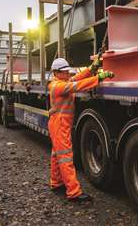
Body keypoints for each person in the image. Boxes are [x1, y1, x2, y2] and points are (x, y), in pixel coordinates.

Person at [48, 57, 114, 202]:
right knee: (65, 157)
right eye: (65, 72)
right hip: (59, 125)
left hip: (59, 124)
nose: (68, 74)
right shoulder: (57, 86)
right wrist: (99, 78)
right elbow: (77, 85)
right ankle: (73, 192)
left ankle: (56, 182)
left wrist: (91, 69)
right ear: (57, 72)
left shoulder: (62, 81)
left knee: (56, 155)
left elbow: (77, 78)